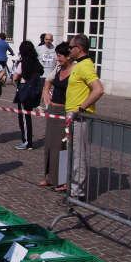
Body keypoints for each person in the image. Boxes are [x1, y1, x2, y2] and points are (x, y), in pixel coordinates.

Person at [66, 34, 104, 199]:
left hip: (79, 117)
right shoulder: (79, 65)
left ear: (79, 48)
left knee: (78, 154)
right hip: (72, 116)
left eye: (71, 47)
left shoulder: (85, 66)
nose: (69, 50)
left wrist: (81, 107)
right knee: (73, 153)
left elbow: (98, 89)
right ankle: (73, 189)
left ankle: (77, 193)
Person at [41, 42, 73, 189]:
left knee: (61, 146)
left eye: (60, 56)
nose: (58, 59)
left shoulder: (75, 70)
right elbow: (48, 80)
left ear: (68, 56)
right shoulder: (58, 68)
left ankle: (62, 180)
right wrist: (46, 93)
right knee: (49, 145)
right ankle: (49, 177)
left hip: (65, 112)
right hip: (53, 110)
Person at [13, 41, 43, 150]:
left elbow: (15, 77)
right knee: (28, 116)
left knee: (24, 118)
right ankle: (27, 141)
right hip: (33, 92)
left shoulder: (23, 63)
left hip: (24, 91)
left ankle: (27, 142)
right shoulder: (36, 62)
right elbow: (41, 71)